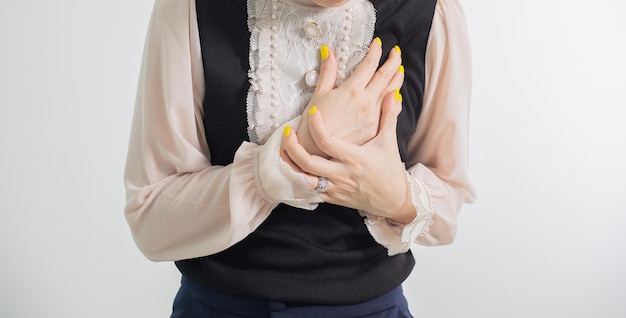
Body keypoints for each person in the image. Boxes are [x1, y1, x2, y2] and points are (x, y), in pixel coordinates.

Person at [124, 0, 476, 316]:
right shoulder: (189, 8)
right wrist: (284, 161)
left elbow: (446, 212)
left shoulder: (433, 13)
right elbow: (151, 219)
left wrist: (396, 196)